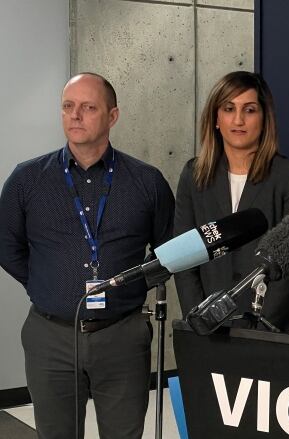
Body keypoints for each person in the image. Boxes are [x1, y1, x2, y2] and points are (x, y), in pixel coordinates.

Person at [0, 73, 174, 438]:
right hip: (51, 336)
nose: (75, 115)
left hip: (122, 336)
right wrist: (45, 283)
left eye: (88, 107)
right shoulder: (27, 180)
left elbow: (167, 250)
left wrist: (129, 288)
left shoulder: (147, 182)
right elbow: (6, 245)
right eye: (68, 106)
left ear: (112, 116)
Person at [174, 71, 289, 332]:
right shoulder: (194, 175)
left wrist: (257, 328)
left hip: (271, 329)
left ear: (264, 118)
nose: (238, 120)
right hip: (208, 331)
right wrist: (201, 321)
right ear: (216, 118)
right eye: (228, 109)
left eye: (249, 110)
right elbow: (184, 261)